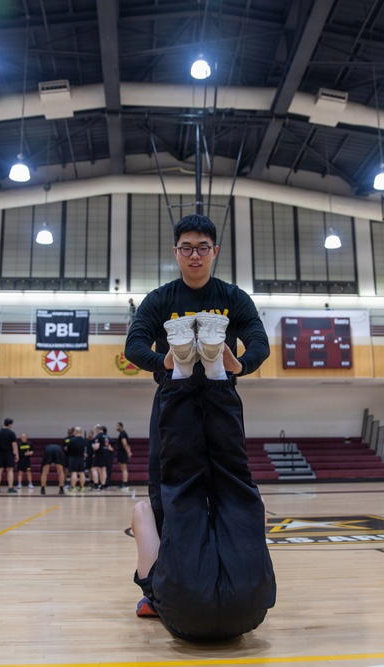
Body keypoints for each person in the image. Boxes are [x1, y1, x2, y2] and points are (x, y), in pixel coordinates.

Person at [124, 214, 275, 641]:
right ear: (176, 252)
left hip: (220, 395)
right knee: (165, 482)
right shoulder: (160, 298)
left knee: (228, 479)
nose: (194, 255)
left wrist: (240, 363)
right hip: (173, 400)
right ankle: (161, 586)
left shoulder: (231, 296)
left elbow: (258, 338)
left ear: (215, 251)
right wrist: (164, 362)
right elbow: (133, 344)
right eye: (186, 248)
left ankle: (227, 570)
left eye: (202, 247)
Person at [0, 418, 19, 493]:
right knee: (10, 470)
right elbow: (14, 444)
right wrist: (17, 454)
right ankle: (10, 488)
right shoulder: (11, 433)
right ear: (10, 424)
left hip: (0, 453)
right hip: (9, 453)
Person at [66, 425, 89, 492]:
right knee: (81, 473)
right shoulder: (84, 440)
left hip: (73, 458)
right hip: (81, 458)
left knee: (74, 473)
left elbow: (68, 449)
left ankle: (73, 487)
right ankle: (82, 487)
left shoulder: (71, 440)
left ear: (75, 432)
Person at [115, 421, 132, 490]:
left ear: (120, 426)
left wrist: (128, 452)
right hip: (122, 453)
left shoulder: (122, 434)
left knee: (124, 469)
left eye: (117, 426)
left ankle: (125, 484)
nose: (116, 427)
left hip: (122, 453)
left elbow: (125, 444)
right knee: (123, 469)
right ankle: (124, 483)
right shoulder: (123, 433)